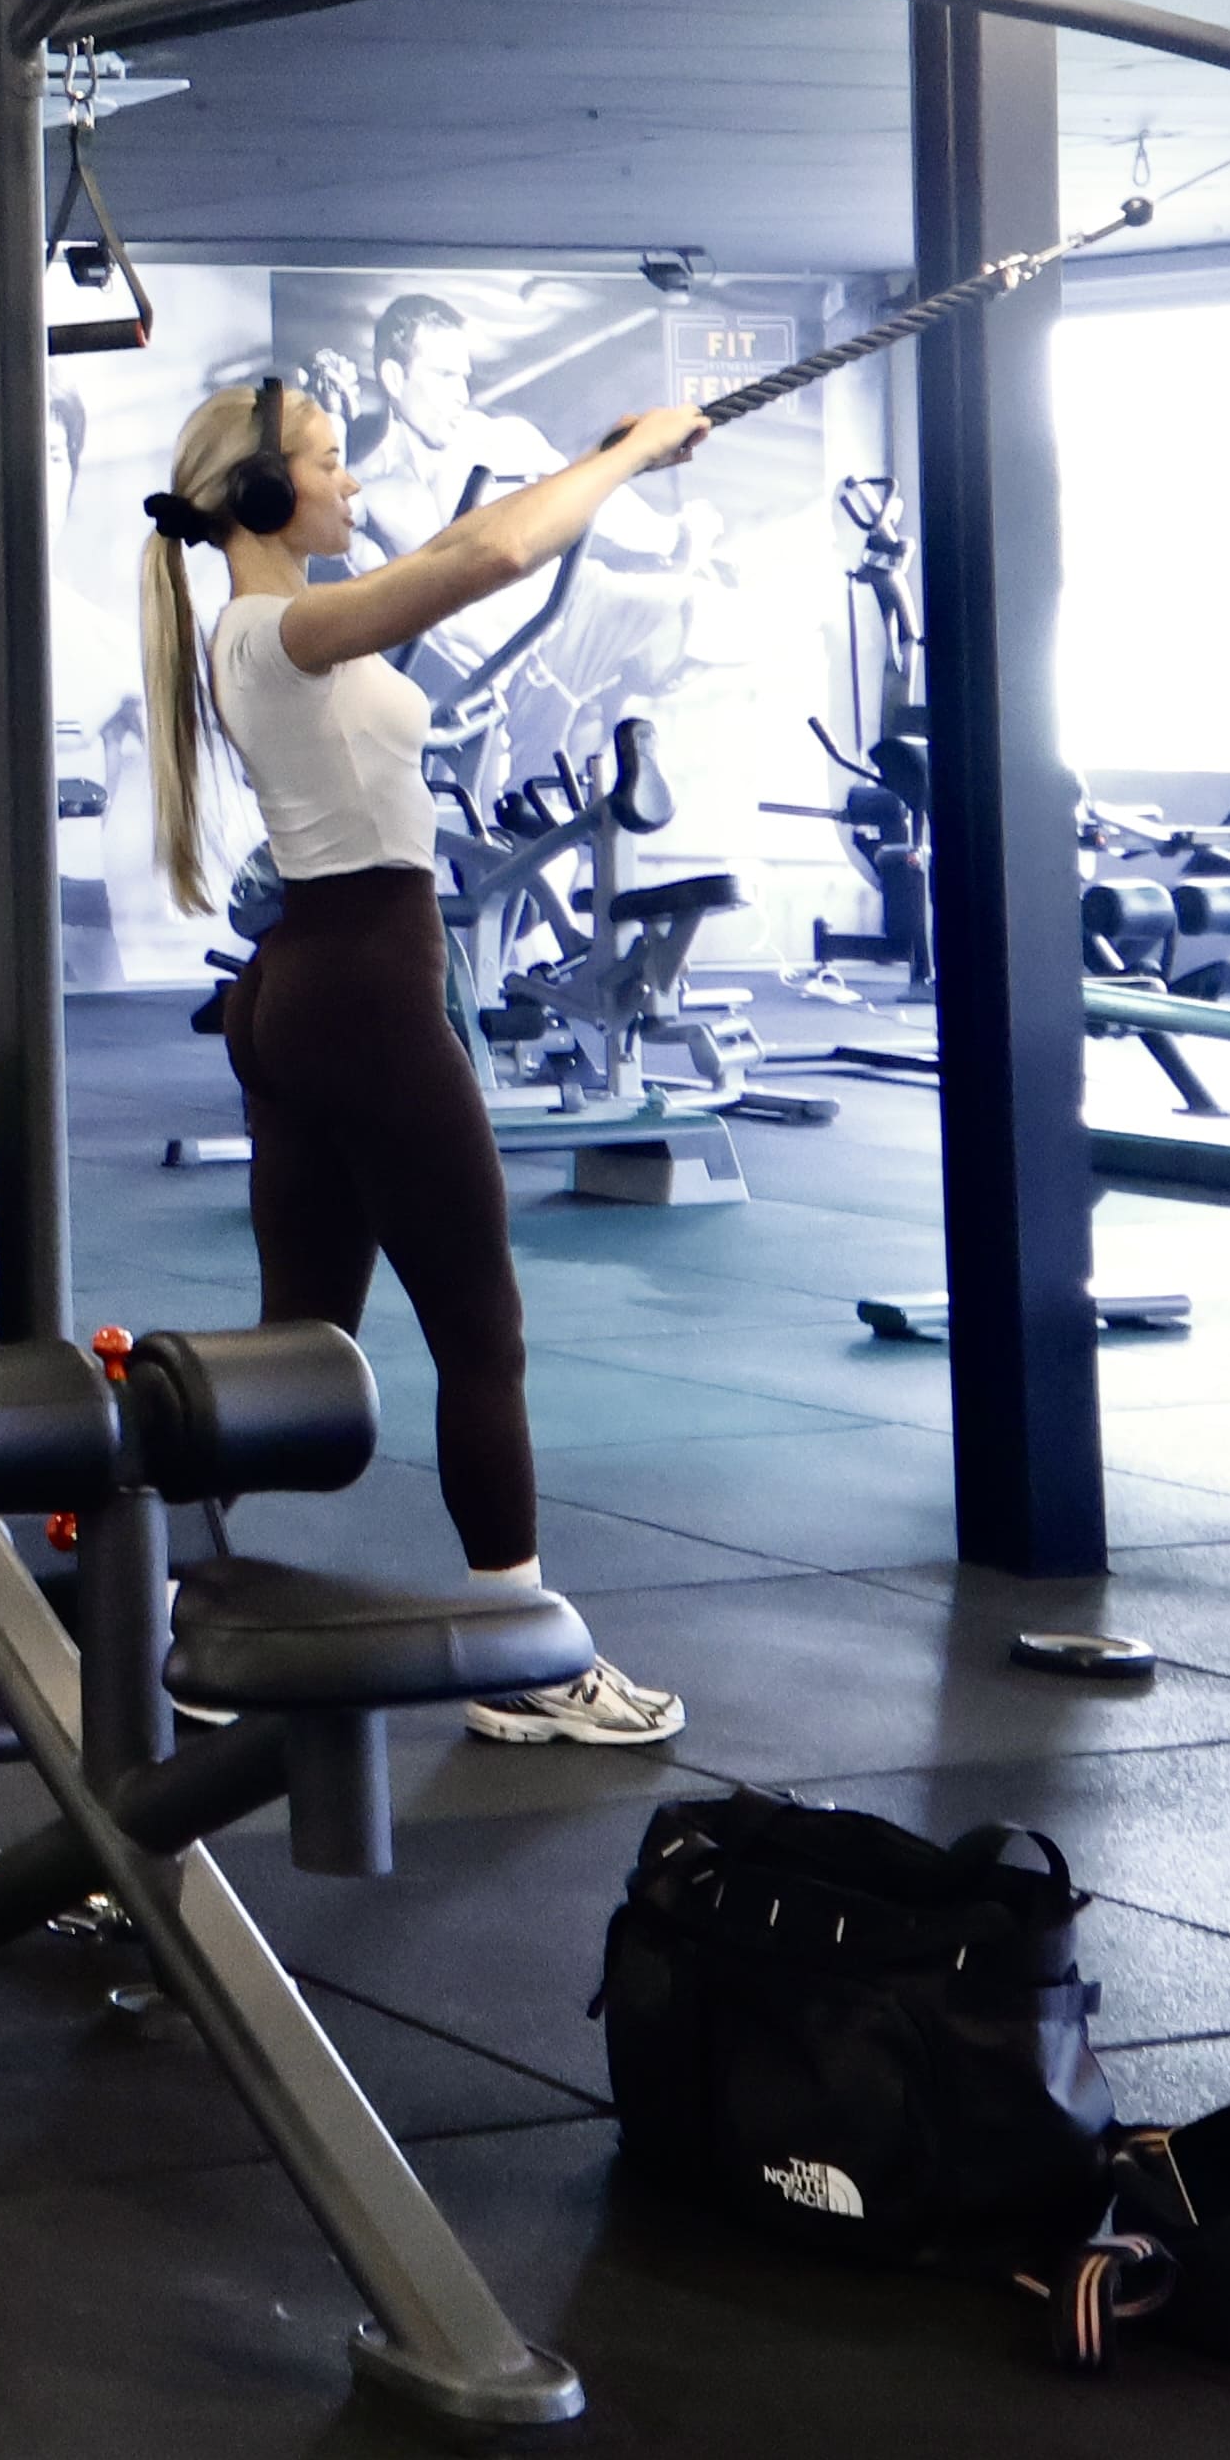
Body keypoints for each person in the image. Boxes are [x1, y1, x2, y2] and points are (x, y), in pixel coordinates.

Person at [143, 365, 713, 1751]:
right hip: (370, 992)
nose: (350, 482)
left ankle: (196, 1631)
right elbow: (488, 556)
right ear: (266, 494)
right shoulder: (284, 629)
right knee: (481, 1335)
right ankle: (520, 1659)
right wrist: (632, 457)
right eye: (330, 462)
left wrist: (595, 461)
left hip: (305, 989)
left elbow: (485, 542)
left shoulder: (250, 630)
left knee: (299, 1349)